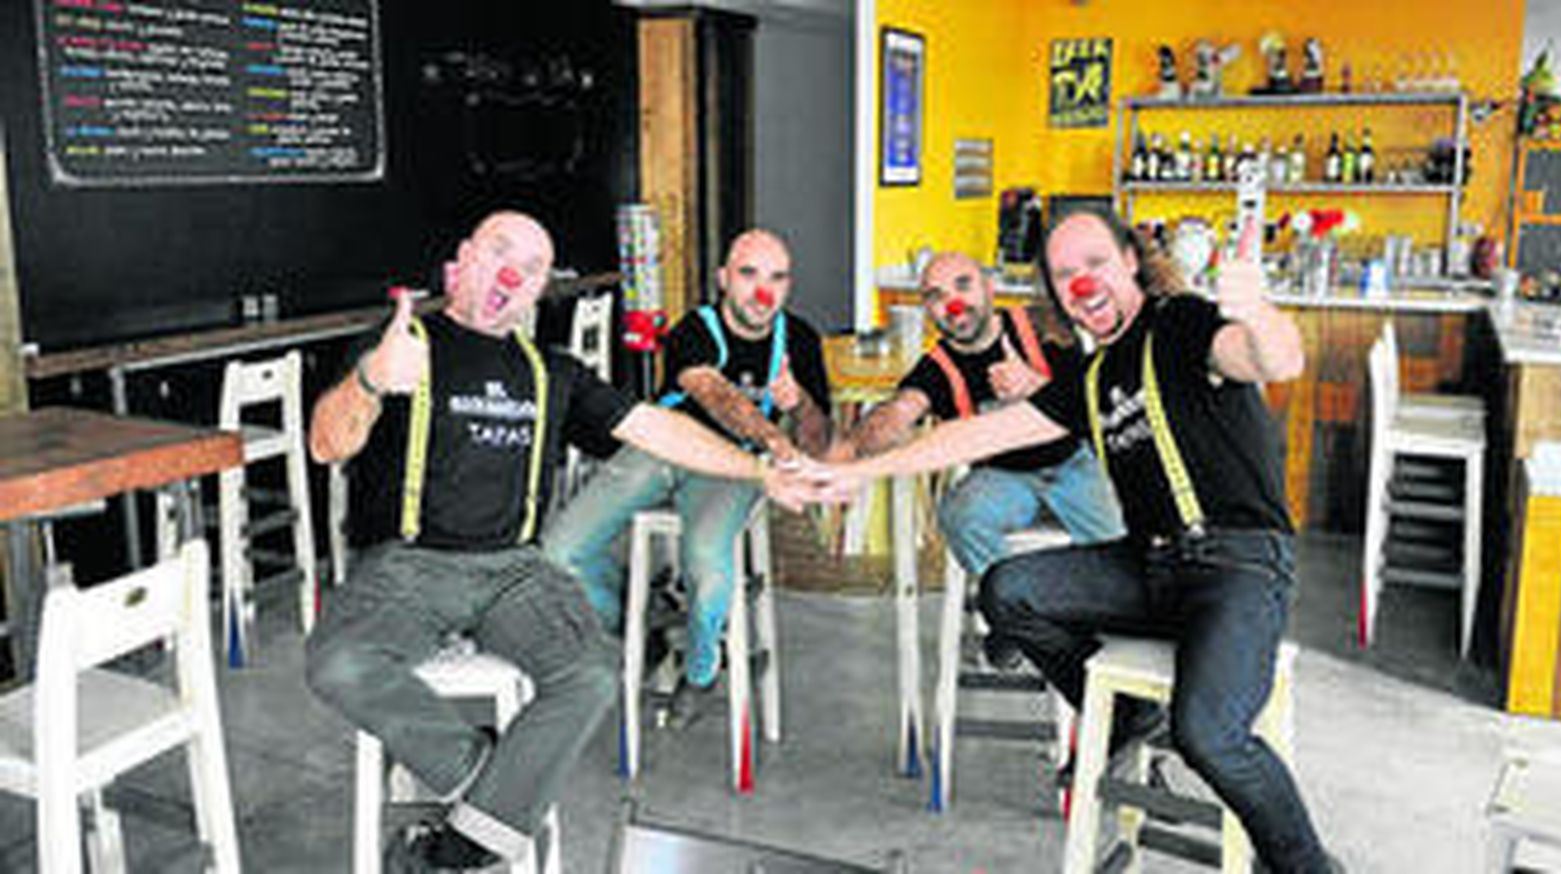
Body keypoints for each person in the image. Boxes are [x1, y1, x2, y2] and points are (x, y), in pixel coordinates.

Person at [304, 211, 825, 871]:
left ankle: (471, 834)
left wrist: (759, 469)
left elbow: (654, 429)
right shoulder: (403, 343)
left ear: (539, 291)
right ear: (462, 261)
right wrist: (373, 381)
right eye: (500, 253)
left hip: (515, 573)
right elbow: (327, 444)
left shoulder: (555, 371)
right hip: (406, 567)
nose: (513, 274)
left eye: (533, 269)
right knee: (338, 662)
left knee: (592, 672)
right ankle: (492, 805)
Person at [828, 210, 1338, 872]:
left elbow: (1273, 358)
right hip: (1149, 564)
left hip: (1238, 564)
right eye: (1064, 274)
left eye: (1094, 263)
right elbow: (975, 436)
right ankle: (1127, 714)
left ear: (1130, 260)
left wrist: (1260, 313)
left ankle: (1310, 868)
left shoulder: (1178, 322)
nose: (1080, 283)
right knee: (1007, 591)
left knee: (1208, 733)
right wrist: (855, 470)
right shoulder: (1089, 377)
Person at [542, 228, 832, 728]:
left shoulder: (800, 339)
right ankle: (636, 618)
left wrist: (800, 403)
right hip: (662, 449)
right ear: (723, 279)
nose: (762, 290)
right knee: (559, 554)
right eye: (748, 274)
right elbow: (713, 393)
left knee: (710, 571)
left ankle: (700, 672)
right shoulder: (693, 329)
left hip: (732, 468)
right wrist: (773, 437)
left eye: (776, 277)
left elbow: (819, 440)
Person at [830, 251, 1122, 591]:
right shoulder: (936, 368)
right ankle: (1018, 610)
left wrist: (1036, 387)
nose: (953, 303)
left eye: (963, 286)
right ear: (927, 308)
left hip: (1076, 463)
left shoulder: (1044, 327)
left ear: (988, 288)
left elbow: (1095, 407)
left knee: (1123, 543)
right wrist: (853, 447)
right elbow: (899, 411)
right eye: (936, 296)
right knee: (962, 516)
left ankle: (1108, 611)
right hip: (1002, 479)